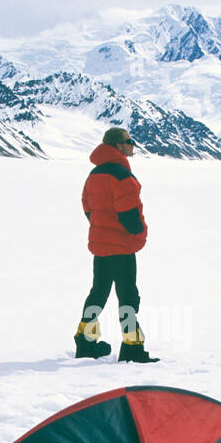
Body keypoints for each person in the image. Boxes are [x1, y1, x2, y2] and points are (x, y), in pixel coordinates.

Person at [74, 126, 159, 363]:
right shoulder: (123, 178)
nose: (133, 144)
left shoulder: (93, 175)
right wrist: (139, 233)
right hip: (122, 249)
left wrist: (102, 230)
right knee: (128, 297)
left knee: (98, 293)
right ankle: (132, 347)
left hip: (101, 247)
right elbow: (130, 217)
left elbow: (87, 207)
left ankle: (86, 342)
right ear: (117, 146)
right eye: (129, 141)